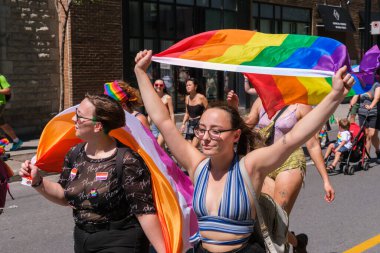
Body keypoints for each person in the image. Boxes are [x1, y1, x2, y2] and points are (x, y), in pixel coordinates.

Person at [134, 49, 354, 253]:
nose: (206, 136)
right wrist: (140, 73)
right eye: (202, 129)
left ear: (236, 136)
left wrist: (334, 96)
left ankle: (295, 243)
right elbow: (163, 121)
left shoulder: (250, 166)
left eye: (216, 130)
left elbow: (293, 138)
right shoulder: (196, 165)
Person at [19, 94, 165, 253]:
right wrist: (38, 181)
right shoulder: (74, 153)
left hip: (120, 241)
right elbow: (64, 195)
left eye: (79, 116)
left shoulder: (127, 160)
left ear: (98, 126)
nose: (74, 120)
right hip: (82, 239)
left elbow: (144, 212)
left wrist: (163, 250)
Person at [227, 93, 335, 252]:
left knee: (277, 217)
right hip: (264, 162)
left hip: (290, 161)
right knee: (265, 218)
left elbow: (312, 145)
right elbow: (245, 127)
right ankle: (298, 242)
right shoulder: (261, 100)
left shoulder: (301, 105)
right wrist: (234, 107)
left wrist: (325, 180)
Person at [350, 68, 380, 163]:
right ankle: (366, 156)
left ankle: (378, 151)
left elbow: (377, 98)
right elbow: (356, 95)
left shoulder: (376, 84)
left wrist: (371, 106)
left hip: (374, 113)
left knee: (372, 134)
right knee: (366, 134)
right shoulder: (362, 85)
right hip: (362, 113)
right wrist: (352, 102)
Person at [180, 78, 208, 147]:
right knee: (189, 148)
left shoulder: (201, 97)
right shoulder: (187, 98)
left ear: (195, 86)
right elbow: (187, 113)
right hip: (190, 124)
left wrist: (203, 121)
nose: (188, 87)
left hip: (199, 124)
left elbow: (208, 111)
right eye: (186, 85)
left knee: (193, 147)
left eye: (190, 85)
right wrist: (183, 124)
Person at [0, 74, 23, 151]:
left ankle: (2, 142)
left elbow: (8, 90)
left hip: (0, 103)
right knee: (3, 124)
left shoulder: (1, 77)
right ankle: (16, 141)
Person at [150, 79, 175, 148]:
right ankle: (168, 159)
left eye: (161, 85)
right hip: (154, 126)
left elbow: (172, 113)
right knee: (162, 149)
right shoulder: (152, 97)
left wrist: (173, 127)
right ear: (154, 86)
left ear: (164, 86)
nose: (159, 86)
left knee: (157, 147)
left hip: (164, 125)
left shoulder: (167, 98)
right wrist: (148, 124)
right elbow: (150, 113)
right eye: (156, 85)